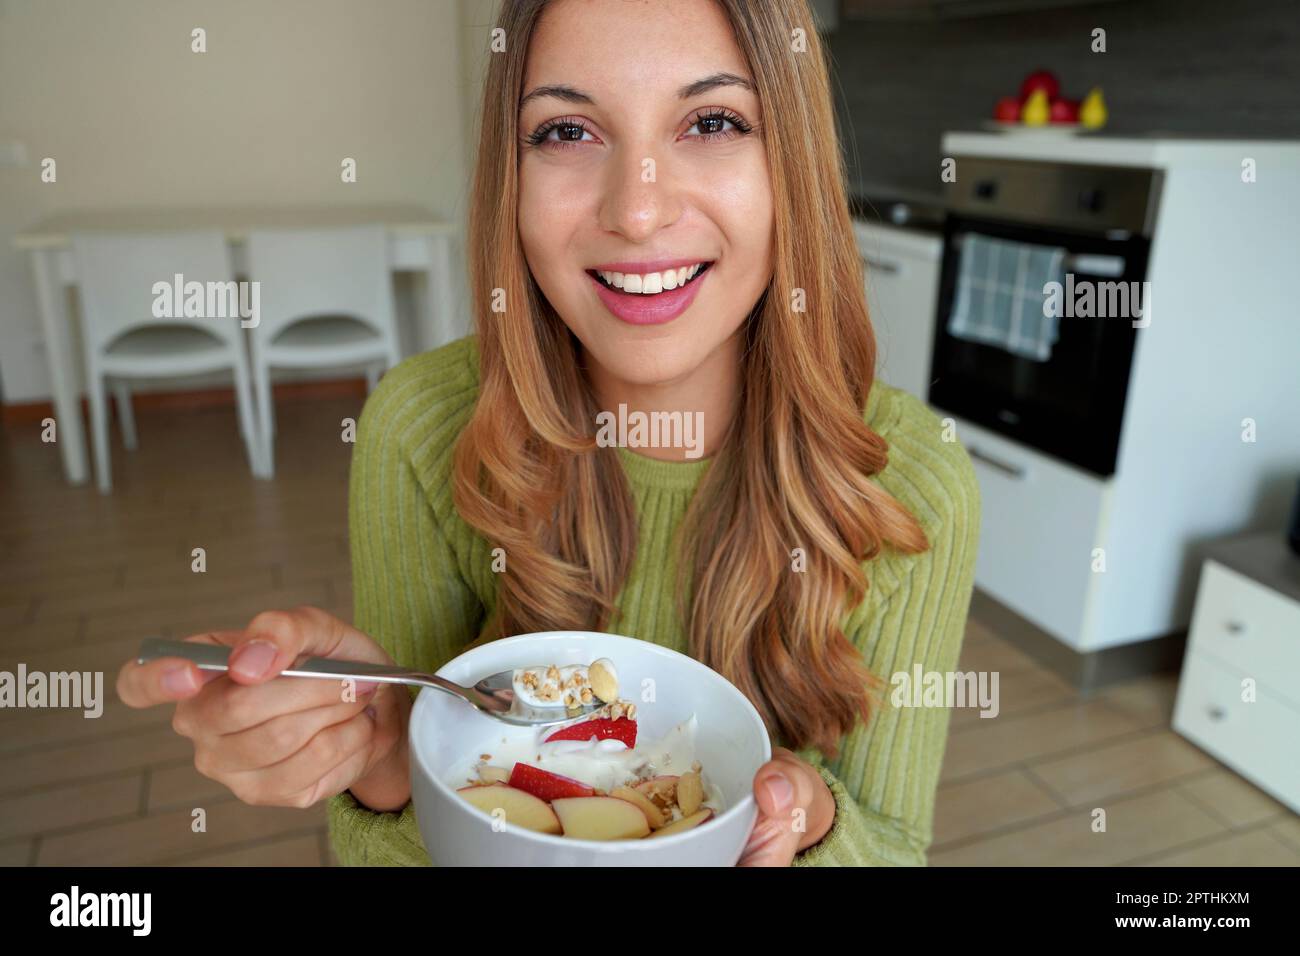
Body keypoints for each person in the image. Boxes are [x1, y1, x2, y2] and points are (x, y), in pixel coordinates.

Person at [117, 0, 980, 867]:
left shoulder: (912, 484)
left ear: (791, 158)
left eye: (712, 121)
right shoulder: (421, 430)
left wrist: (811, 826)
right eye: (567, 131)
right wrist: (384, 760)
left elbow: (894, 846)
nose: (638, 213)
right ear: (510, 174)